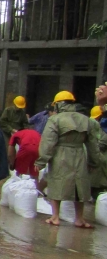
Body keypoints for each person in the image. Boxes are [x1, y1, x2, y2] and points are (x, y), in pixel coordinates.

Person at [35, 91, 100, 228]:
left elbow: (48, 142)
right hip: (79, 154)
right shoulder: (86, 120)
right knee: (79, 186)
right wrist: (94, 162)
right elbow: (93, 144)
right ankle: (80, 219)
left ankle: (55, 217)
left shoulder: (55, 120)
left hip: (60, 153)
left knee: (56, 182)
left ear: (58, 104)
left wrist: (41, 161)